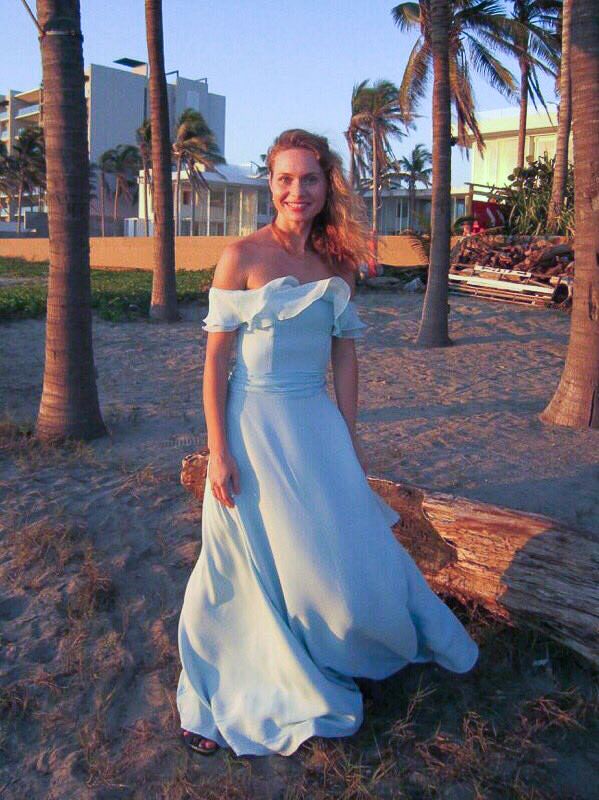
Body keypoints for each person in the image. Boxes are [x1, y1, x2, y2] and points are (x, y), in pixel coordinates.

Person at [177, 129, 479, 758]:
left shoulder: (338, 262)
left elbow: (345, 361)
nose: (297, 191)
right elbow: (214, 365)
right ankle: (245, 676)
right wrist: (219, 450)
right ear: (270, 182)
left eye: (308, 179)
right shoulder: (241, 257)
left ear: (325, 184)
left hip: (315, 424)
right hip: (251, 425)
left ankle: (346, 645)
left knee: (340, 550)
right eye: (285, 179)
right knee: (257, 556)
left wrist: (348, 438)